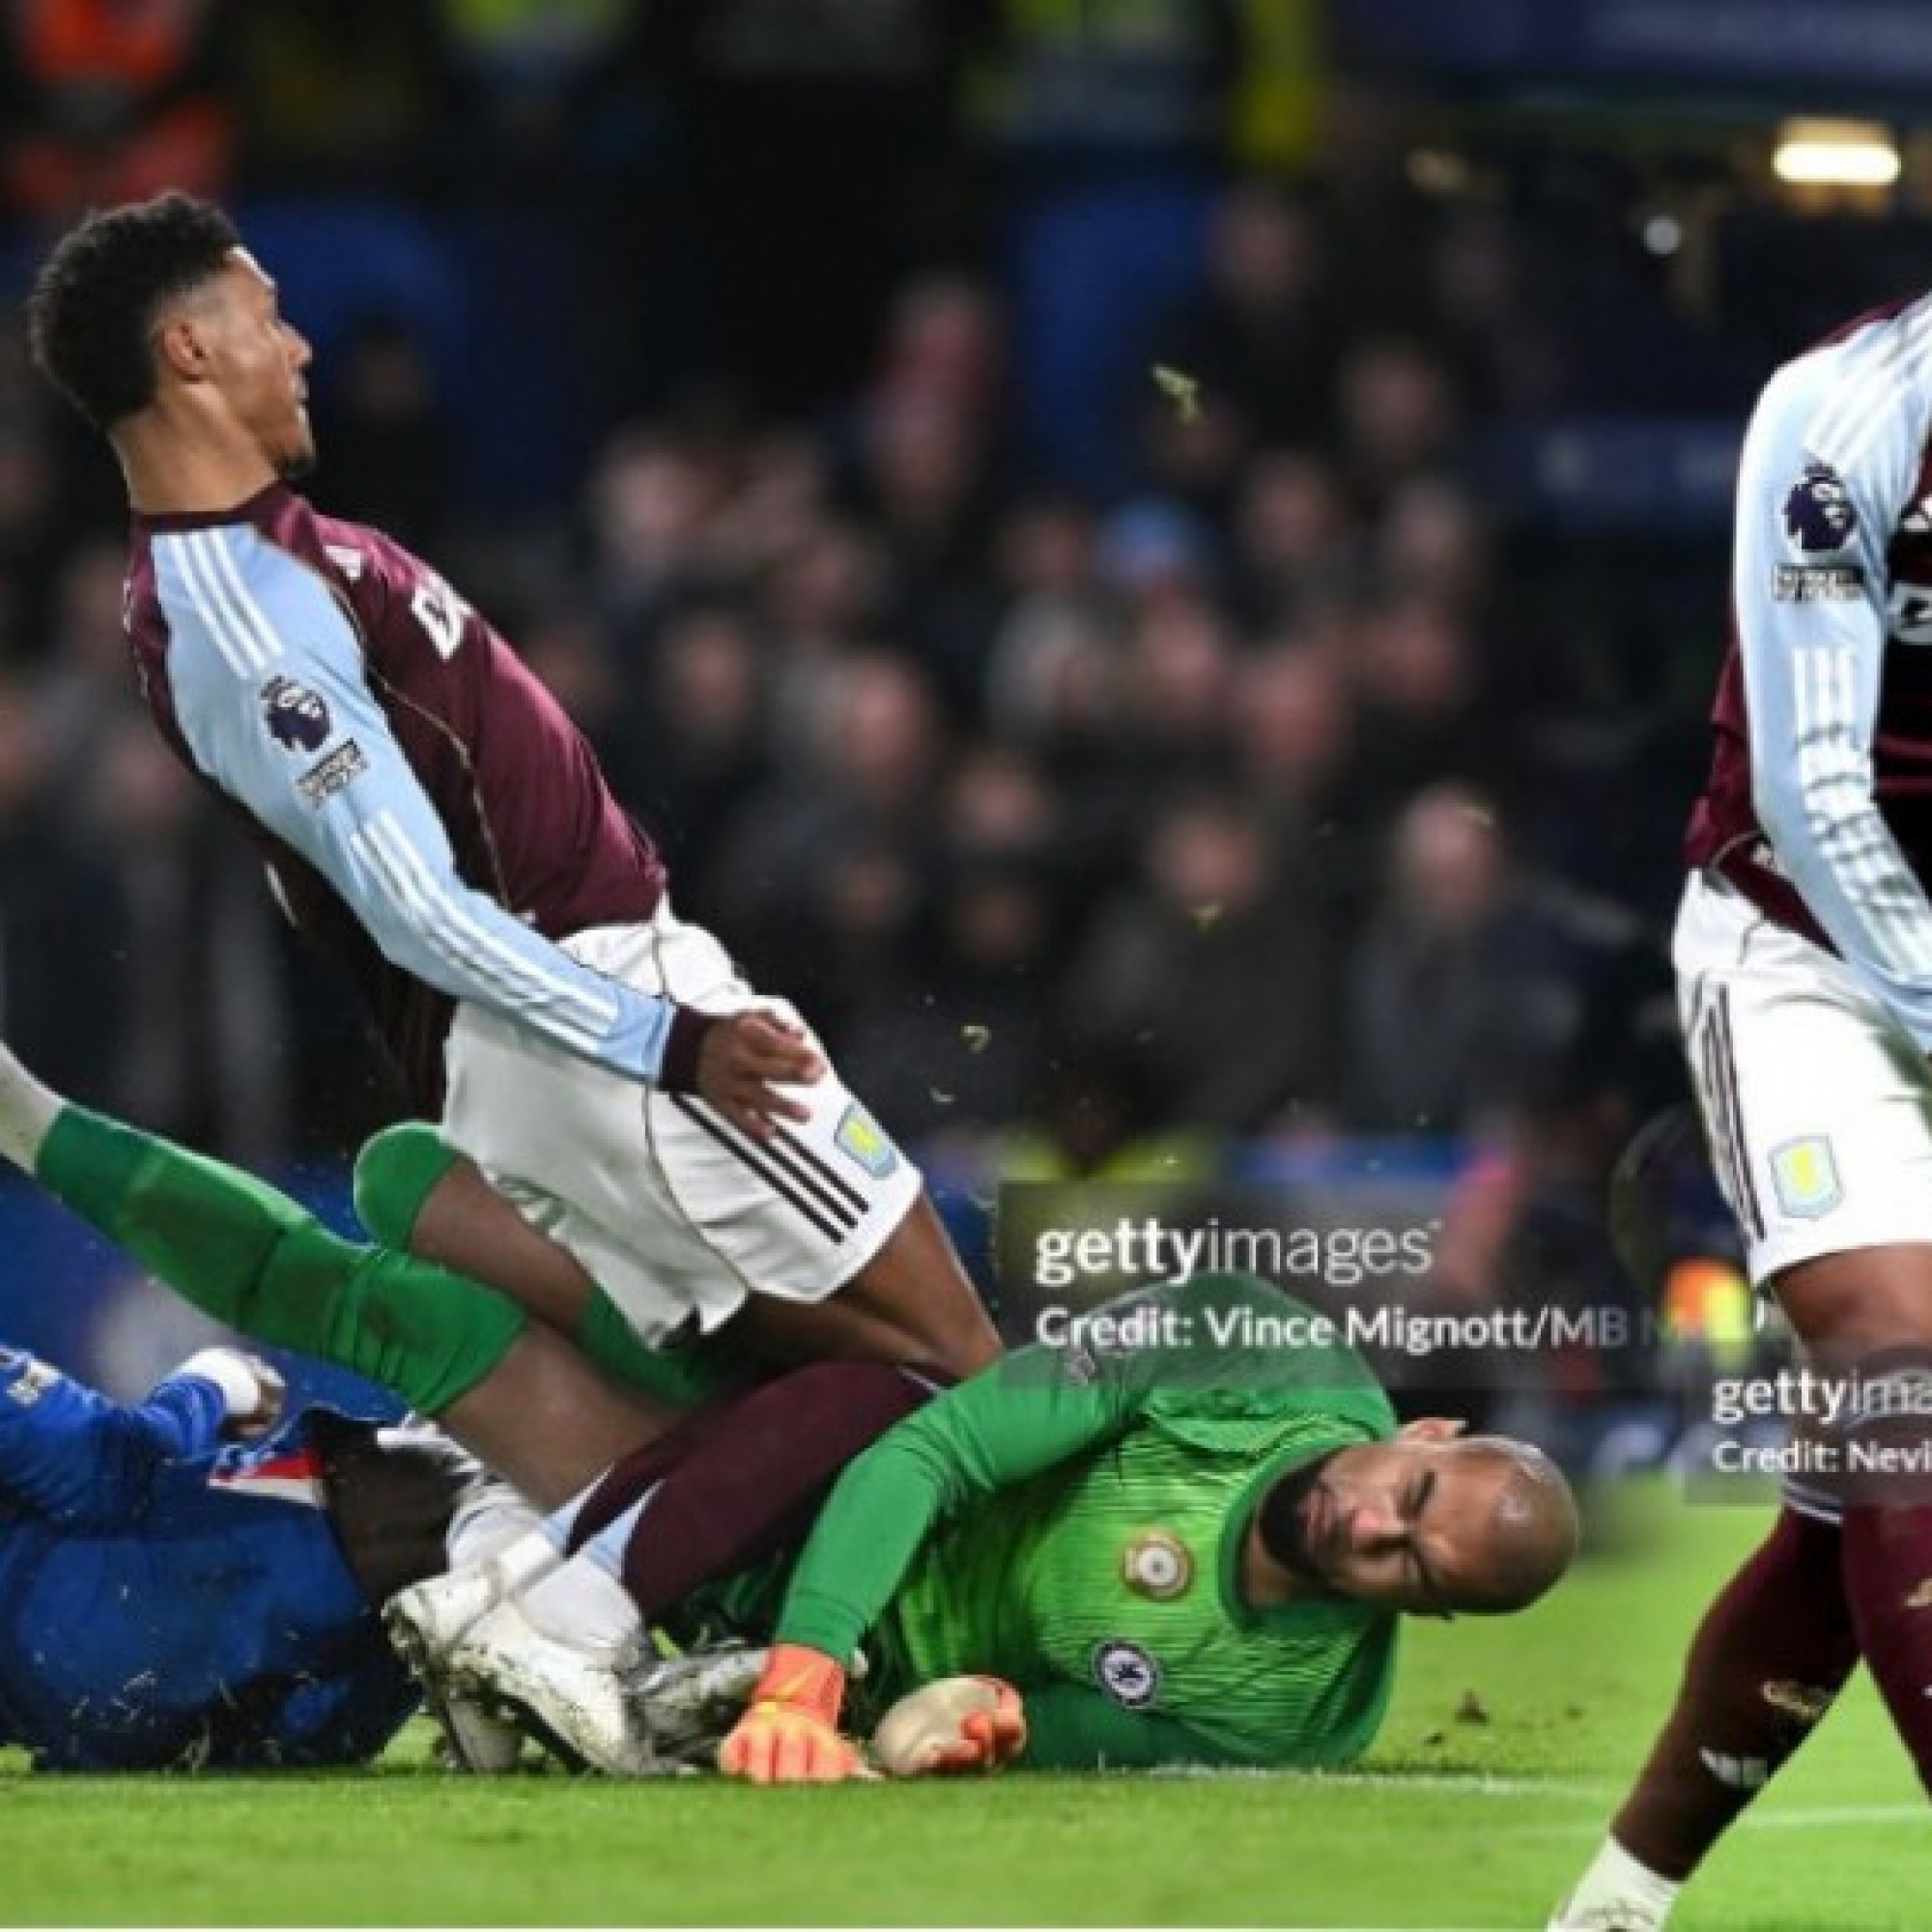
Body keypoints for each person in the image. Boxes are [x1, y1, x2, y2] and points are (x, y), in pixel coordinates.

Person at [24, 191, 999, 1401]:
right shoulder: (240, 612)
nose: (300, 345)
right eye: (269, 316)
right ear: (190, 349)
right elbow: (410, 906)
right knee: (964, 1368)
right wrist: (666, 1042)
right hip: (593, 1011)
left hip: (569, 1021)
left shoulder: (253, 565)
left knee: (833, 1395)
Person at [1553, 293, 1932, 1928]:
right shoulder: (1844, 422)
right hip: (1807, 956)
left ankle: (1614, 1912)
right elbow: (1813, 787)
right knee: (1901, 1377)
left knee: (1856, 1499)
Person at [400, 1270, 1580, 1779]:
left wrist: (959, 1731)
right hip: (772, 1486)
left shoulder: (1294, 1719)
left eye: (1409, 1563)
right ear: (1425, 1433)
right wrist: (801, 1678)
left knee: (354, 1550)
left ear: (1420, 1610)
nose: (1371, 1525)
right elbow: (934, 1445)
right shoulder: (1254, 1346)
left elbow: (1025, 1733)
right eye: (1412, 1495)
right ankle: (519, 1542)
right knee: (418, 1261)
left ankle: (502, 1547)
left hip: (775, 1654)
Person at [0, 1331, 526, 1772]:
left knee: (460, 1434)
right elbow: (109, 1466)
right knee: (497, 1471)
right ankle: (505, 1642)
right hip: (132, 1604)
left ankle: (471, 1654)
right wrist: (217, 1381)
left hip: (101, 1727)